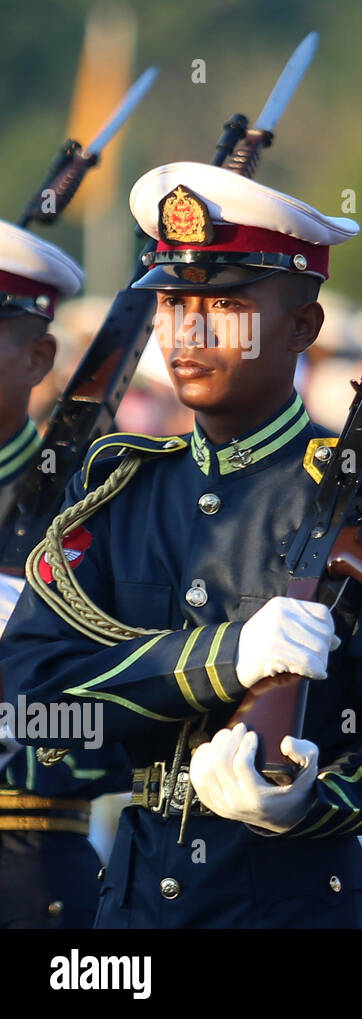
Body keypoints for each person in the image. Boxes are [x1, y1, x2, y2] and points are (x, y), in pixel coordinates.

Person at [0, 162, 362, 928]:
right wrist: (221, 659)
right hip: (135, 906)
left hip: (294, 904)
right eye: (175, 305)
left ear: (302, 327)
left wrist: (309, 801)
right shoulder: (120, 495)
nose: (189, 331)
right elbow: (32, 705)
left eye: (224, 305)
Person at [0, 220, 132, 928]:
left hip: (35, 867)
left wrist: (23, 712)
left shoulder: (100, 506)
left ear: (38, 356)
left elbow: (126, 730)